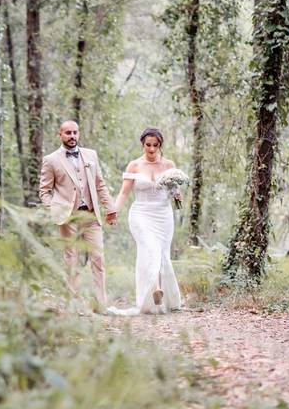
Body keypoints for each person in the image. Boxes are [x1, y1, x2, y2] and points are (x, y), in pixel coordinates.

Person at [38, 120, 118, 307]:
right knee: (71, 259)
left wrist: (110, 208)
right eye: (68, 133)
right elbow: (44, 190)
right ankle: (72, 304)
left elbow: (100, 184)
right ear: (60, 135)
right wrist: (54, 209)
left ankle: (101, 303)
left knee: (98, 258)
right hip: (69, 217)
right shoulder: (51, 160)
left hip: (91, 215)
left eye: (75, 132)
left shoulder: (91, 155)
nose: (72, 136)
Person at [108, 128, 182, 314]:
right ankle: (156, 289)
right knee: (150, 248)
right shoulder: (134, 166)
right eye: (148, 145)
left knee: (162, 254)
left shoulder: (168, 165)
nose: (151, 149)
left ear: (160, 145)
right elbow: (124, 193)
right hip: (141, 214)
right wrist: (114, 211)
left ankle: (166, 298)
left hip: (163, 215)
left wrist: (177, 195)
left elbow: (173, 190)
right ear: (142, 144)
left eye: (155, 145)